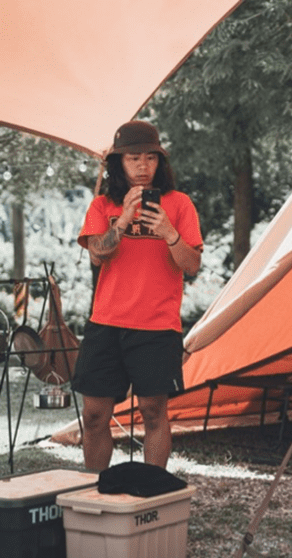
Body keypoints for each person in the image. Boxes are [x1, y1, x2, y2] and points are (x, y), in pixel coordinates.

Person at [72, 120, 203, 471]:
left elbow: (191, 265)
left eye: (150, 158)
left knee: (153, 411)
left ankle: (152, 492)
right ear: (119, 163)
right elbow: (98, 253)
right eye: (133, 159)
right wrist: (123, 219)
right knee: (95, 414)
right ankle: (95, 492)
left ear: (160, 162)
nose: (143, 166)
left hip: (157, 326)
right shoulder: (102, 205)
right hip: (106, 323)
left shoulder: (179, 204)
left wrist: (169, 233)